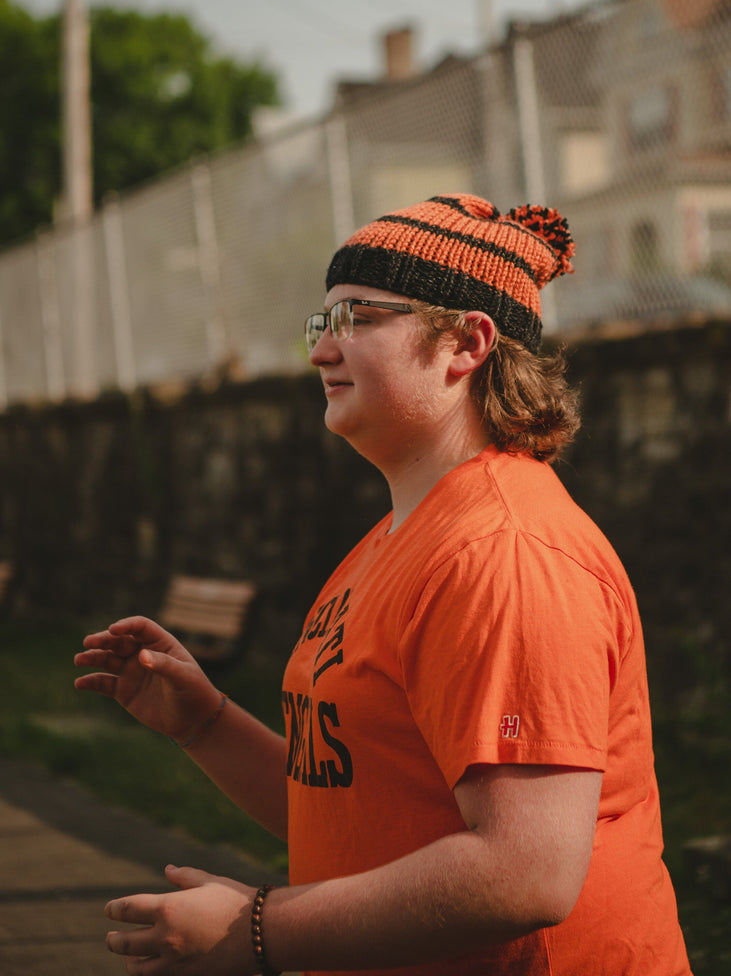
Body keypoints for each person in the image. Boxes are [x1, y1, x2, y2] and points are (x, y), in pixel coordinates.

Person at [75, 193, 692, 976]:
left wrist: (256, 929)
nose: (320, 352)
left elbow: (524, 872)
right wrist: (205, 724)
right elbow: (357, 806)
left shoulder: (504, 553)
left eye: (358, 319)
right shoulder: (399, 534)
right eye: (320, 324)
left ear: (466, 342)